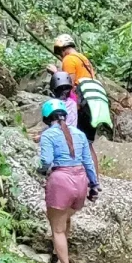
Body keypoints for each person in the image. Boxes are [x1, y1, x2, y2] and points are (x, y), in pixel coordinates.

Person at [39, 98, 98, 263]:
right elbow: (88, 162)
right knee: (66, 220)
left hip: (61, 181)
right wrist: (94, 185)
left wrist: (40, 171)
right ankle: (61, 255)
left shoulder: (48, 135)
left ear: (47, 118)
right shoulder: (79, 134)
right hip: (81, 181)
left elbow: (46, 161)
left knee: (57, 228)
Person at [52, 33, 113, 171]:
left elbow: (68, 85)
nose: (61, 56)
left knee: (71, 138)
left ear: (63, 49)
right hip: (93, 105)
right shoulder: (84, 60)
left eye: (60, 53)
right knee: (88, 143)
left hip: (81, 106)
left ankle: (71, 175)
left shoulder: (69, 59)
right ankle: (94, 184)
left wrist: (56, 72)